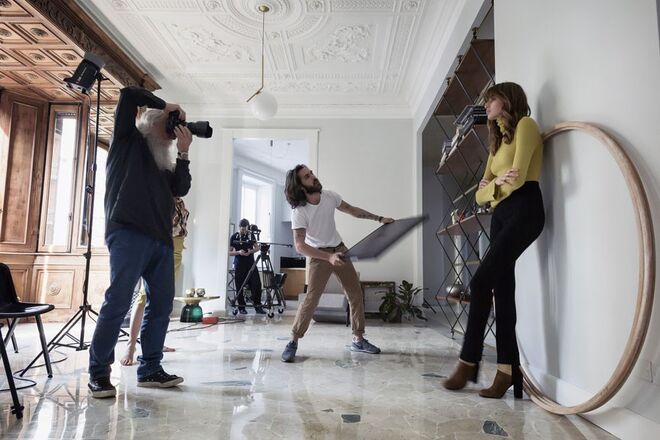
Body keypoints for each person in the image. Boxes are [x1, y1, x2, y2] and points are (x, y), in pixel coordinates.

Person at [88, 86, 192, 398]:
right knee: (118, 301)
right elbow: (129, 94)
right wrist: (167, 104)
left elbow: (181, 188)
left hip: (161, 240)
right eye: (169, 125)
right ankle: (99, 373)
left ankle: (150, 369)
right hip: (128, 232)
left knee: (161, 305)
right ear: (151, 122)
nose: (172, 133)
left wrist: (184, 153)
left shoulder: (164, 164)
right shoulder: (127, 141)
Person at [443, 82, 545, 399]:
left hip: (525, 209)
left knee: (479, 282)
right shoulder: (497, 143)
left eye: (491, 99)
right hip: (500, 215)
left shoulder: (526, 125)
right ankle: (507, 371)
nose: (486, 105)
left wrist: (494, 187)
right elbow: (478, 195)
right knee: (502, 292)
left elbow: (519, 178)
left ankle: (468, 361)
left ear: (508, 100)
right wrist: (495, 185)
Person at [280, 165, 394, 363]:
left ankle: (358, 339)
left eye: (311, 173)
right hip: (318, 255)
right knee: (311, 299)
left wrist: (379, 218)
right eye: (307, 176)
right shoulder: (299, 211)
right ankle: (293, 341)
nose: (313, 176)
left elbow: (352, 210)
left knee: (355, 293)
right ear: (300, 186)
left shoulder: (329, 196)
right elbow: (300, 246)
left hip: (340, 250)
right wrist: (328, 257)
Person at [120, 197, 189, 366]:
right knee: (144, 296)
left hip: (177, 249)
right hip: (160, 246)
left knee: (162, 300)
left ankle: (155, 343)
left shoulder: (179, 200)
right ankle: (131, 346)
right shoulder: (158, 196)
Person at [229, 219, 266, 314]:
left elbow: (257, 247)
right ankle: (241, 307)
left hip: (251, 264)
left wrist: (251, 251)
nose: (244, 231)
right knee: (239, 286)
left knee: (256, 284)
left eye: (245, 229)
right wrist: (238, 252)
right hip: (239, 264)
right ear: (239, 227)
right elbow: (229, 252)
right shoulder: (234, 237)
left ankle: (258, 306)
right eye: (242, 230)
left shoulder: (250, 235)